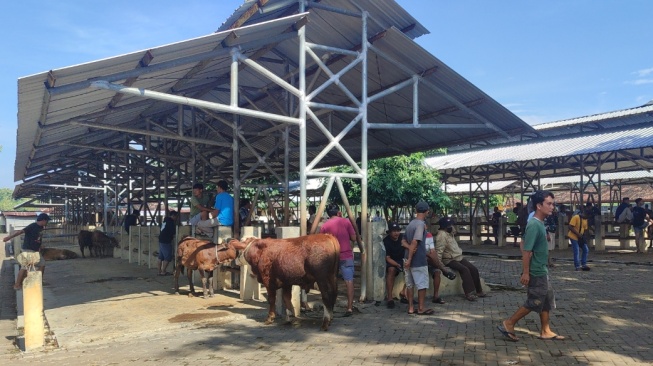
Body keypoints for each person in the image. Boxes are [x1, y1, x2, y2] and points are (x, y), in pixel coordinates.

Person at [497, 190, 565, 342]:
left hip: (542, 268)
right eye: (549, 204)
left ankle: (545, 330)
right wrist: (526, 272)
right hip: (536, 271)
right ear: (539, 206)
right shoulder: (534, 224)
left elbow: (523, 243)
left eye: (553, 204)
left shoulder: (539, 224)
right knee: (535, 300)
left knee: (546, 299)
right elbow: (526, 250)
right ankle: (509, 323)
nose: (552, 207)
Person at [320, 203, 365, 316]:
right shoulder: (346, 221)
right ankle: (349, 308)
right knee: (349, 282)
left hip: (331, 258)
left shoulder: (325, 226)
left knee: (331, 282)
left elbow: (322, 243)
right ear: (338, 211)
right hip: (346, 255)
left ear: (328, 213)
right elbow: (354, 237)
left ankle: (330, 307)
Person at [435, 216, 486, 301]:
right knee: (464, 270)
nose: (452, 226)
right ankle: (468, 292)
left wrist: (452, 230)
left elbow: (455, 231)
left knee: (473, 269)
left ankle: (479, 291)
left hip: (458, 256)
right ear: (445, 227)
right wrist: (439, 265)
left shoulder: (449, 233)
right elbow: (439, 251)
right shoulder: (441, 236)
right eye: (450, 225)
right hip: (449, 259)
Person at [4, 213, 50, 290]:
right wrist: (9, 237)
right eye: (47, 221)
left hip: (35, 251)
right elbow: (20, 232)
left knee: (42, 264)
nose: (47, 222)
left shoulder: (41, 228)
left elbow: (38, 238)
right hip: (28, 249)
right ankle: (17, 285)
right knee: (25, 267)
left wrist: (39, 246)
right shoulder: (32, 226)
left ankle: (39, 281)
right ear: (43, 220)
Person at [402, 201, 433, 315]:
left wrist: (408, 250)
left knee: (409, 284)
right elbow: (415, 241)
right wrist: (410, 258)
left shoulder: (411, 224)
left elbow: (403, 241)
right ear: (427, 211)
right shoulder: (420, 224)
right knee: (422, 284)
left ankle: (410, 307)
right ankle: (421, 308)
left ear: (416, 211)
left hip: (406, 258)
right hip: (417, 259)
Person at [424, 222, 456, 304]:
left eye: (424, 225)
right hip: (419, 259)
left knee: (437, 271)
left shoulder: (429, 235)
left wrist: (432, 256)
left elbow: (432, 250)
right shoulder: (415, 236)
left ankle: (436, 296)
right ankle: (445, 271)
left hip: (428, 259)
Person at [383, 222, 406, 309]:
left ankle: (405, 292)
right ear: (389, 232)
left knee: (413, 268)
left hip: (403, 260)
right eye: (394, 231)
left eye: (398, 230)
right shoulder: (386, 241)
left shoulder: (403, 238)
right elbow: (387, 258)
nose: (396, 233)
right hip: (392, 261)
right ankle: (390, 298)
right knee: (391, 270)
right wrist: (397, 264)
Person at [158, 210, 178, 276]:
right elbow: (173, 232)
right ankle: (163, 271)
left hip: (161, 239)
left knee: (161, 257)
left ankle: (159, 271)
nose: (176, 218)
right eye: (176, 217)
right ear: (173, 216)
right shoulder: (171, 222)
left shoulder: (165, 221)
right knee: (167, 257)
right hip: (166, 240)